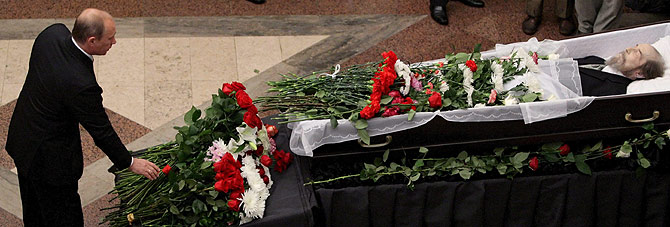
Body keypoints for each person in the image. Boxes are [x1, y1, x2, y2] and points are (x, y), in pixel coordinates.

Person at [5, 8, 160, 226]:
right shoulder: (81, 84)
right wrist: (130, 162)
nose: (114, 42)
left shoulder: (52, 34)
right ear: (92, 40)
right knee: (63, 216)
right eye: (110, 38)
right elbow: (101, 130)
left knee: (33, 206)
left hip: (23, 139)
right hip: (51, 162)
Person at [578, 43, 665, 96]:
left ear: (639, 74)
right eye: (636, 46)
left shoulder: (613, 91)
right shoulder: (596, 60)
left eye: (637, 52)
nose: (629, 49)